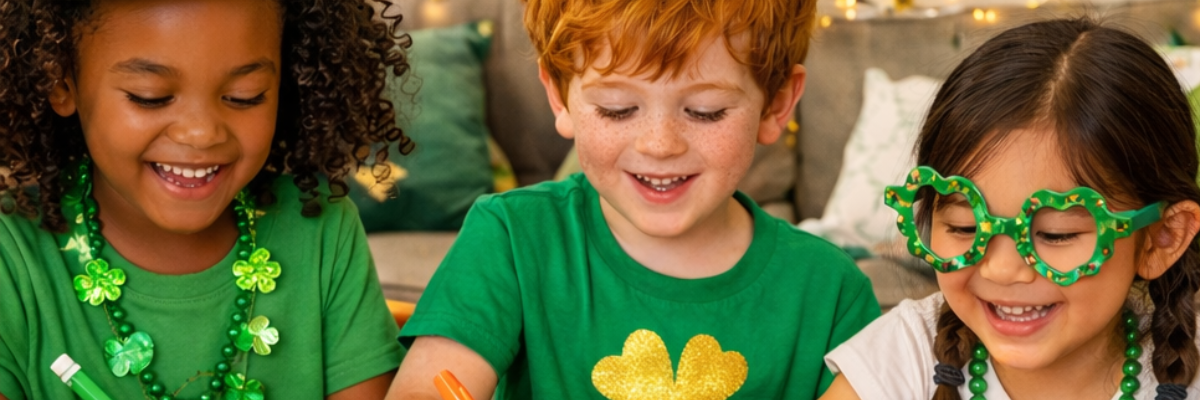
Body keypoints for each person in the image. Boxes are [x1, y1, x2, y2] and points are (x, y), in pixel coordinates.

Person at [386, 0, 881, 399]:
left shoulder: (831, 290)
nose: (659, 144)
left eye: (705, 111)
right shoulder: (511, 238)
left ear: (776, 103)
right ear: (560, 97)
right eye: (617, 109)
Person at [0, 0, 414, 399]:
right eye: (150, 96)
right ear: (62, 83)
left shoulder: (322, 229)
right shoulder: (11, 257)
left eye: (244, 96)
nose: (201, 133)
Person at [820, 18, 1200, 400]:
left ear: (1161, 237)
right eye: (964, 227)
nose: (1000, 269)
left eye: (1056, 233)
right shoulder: (898, 362)